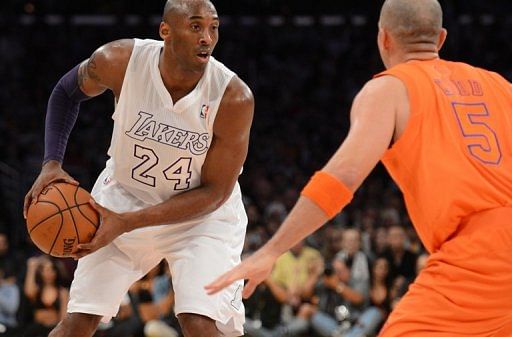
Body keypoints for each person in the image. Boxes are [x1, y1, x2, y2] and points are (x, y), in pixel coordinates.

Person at [206, 0, 512, 335]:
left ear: (383, 38)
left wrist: (271, 250)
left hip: (482, 253)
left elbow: (340, 179)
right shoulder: (499, 85)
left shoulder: (390, 88)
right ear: (440, 39)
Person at [23, 0, 254, 336]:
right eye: (195, 26)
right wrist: (51, 163)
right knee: (77, 322)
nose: (207, 37)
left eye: (213, 27)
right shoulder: (119, 61)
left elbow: (215, 192)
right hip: (123, 197)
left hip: (200, 218)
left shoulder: (233, 98)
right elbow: (65, 92)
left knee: (199, 323)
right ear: (166, 31)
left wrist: (128, 223)